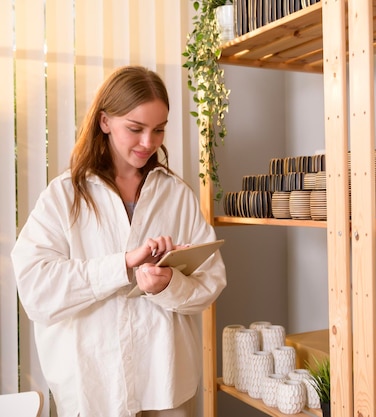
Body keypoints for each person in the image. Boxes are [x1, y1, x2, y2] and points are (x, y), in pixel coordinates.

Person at [11, 65, 227, 417]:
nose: (148, 142)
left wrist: (169, 283)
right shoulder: (63, 197)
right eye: (135, 128)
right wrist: (122, 264)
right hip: (94, 391)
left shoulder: (177, 196)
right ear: (105, 122)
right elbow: (36, 292)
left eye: (159, 130)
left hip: (165, 387)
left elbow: (212, 283)